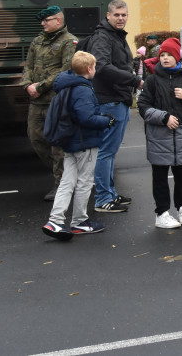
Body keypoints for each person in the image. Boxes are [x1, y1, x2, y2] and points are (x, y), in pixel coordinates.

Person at [41, 50, 115, 240]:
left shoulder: (65, 85)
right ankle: (79, 221)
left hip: (69, 141)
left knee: (67, 182)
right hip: (84, 142)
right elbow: (86, 118)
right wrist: (106, 120)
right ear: (90, 68)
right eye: (95, 67)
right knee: (84, 182)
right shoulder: (82, 89)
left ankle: (55, 220)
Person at [137, 37, 182, 228]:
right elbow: (143, 106)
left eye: (169, 55)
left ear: (177, 57)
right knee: (160, 177)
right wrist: (164, 117)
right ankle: (162, 213)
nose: (165, 58)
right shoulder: (152, 80)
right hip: (160, 137)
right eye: (162, 55)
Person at [89, 0, 143, 214]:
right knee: (106, 152)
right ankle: (103, 198)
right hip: (110, 101)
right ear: (108, 16)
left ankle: (110, 193)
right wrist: (133, 80)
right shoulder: (103, 36)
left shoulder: (115, 36)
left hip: (117, 99)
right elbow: (101, 67)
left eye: (124, 15)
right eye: (117, 15)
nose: (121, 18)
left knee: (110, 152)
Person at [21, 5, 77, 201]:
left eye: (47, 20)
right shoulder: (37, 41)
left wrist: (41, 86)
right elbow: (27, 66)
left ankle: (62, 183)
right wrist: (27, 84)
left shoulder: (69, 42)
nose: (43, 23)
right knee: (36, 139)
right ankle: (63, 175)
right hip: (37, 101)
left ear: (59, 21)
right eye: (42, 20)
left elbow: (66, 69)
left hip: (56, 99)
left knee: (58, 144)